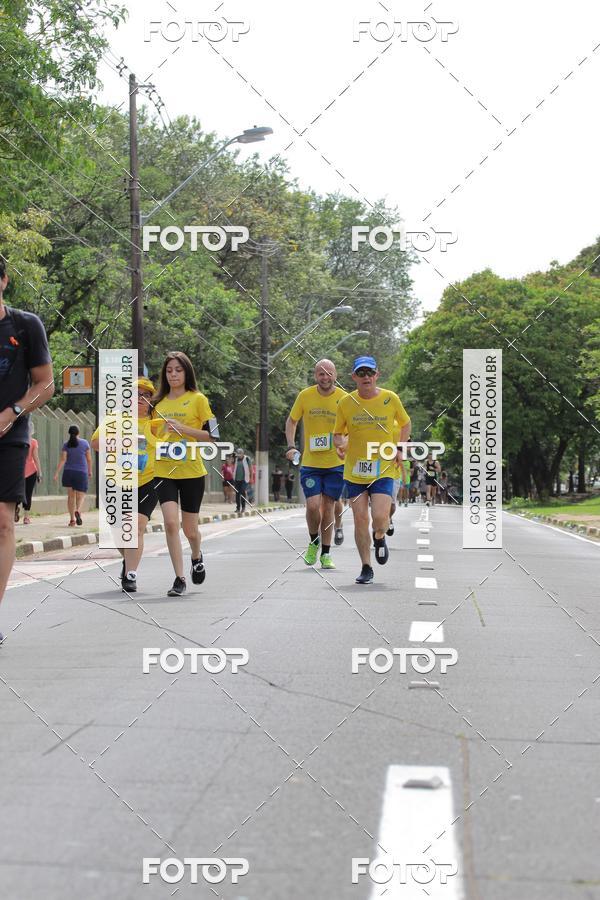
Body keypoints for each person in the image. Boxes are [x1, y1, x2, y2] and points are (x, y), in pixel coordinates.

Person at [0, 258, 54, 643]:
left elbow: (45, 384)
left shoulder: (25, 325)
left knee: (3, 521)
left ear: (3, 280)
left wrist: (12, 411)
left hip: (11, 435)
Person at [334, 356, 410, 585]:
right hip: (355, 471)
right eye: (361, 373)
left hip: (383, 468)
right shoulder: (346, 403)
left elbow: (405, 424)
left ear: (377, 375)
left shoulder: (390, 398)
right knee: (359, 519)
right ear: (354, 377)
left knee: (379, 518)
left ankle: (379, 537)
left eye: (370, 373)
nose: (366, 377)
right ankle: (366, 566)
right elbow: (338, 434)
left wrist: (399, 448)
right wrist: (341, 445)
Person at [151, 351, 218, 596]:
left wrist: (184, 429)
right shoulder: (157, 403)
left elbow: (213, 434)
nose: (173, 375)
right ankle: (179, 578)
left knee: (190, 530)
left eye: (178, 370)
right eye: (169, 371)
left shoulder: (198, 399)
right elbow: (150, 435)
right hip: (163, 470)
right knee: (170, 523)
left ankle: (197, 555)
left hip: (191, 471)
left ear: (186, 372)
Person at [91, 377, 158, 593]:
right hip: (116, 482)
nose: (140, 398)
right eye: (136, 394)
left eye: (145, 395)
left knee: (136, 526)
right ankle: (128, 561)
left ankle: (131, 575)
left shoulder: (157, 422)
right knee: (118, 533)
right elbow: (96, 443)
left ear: (151, 400)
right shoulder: (115, 419)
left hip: (148, 481)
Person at [286, 359, 347, 570]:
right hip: (311, 463)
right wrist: (291, 446)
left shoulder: (344, 399)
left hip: (335, 463)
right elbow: (292, 421)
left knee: (328, 507)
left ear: (335, 375)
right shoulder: (305, 395)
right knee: (313, 506)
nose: (325, 377)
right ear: (315, 376)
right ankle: (313, 542)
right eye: (321, 374)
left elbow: (353, 426)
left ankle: (326, 554)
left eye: (329, 373)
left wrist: (346, 444)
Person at [54, 425, 92, 525]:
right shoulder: (85, 443)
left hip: (68, 472)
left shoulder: (66, 444)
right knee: (81, 495)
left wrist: (57, 473)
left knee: (71, 496)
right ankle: (78, 511)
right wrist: (90, 471)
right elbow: (89, 459)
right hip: (81, 472)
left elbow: (63, 460)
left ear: (69, 433)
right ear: (78, 432)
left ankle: (72, 520)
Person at [15, 422, 42, 525]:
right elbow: (36, 458)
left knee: (17, 492)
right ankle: (26, 517)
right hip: (31, 472)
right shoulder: (33, 442)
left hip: (19, 471)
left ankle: (15, 509)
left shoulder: (18, 441)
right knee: (28, 494)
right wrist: (40, 473)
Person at [233, 447, 251, 515]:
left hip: (244, 479)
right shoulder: (236, 459)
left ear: (242, 454)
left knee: (242, 492)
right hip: (237, 479)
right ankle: (238, 508)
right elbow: (234, 468)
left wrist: (251, 478)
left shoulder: (247, 459)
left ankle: (243, 507)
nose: (238, 456)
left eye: (239, 455)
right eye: (237, 455)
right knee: (237, 494)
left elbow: (250, 469)